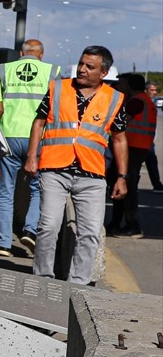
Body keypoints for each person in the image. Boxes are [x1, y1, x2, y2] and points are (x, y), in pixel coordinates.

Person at [25, 46, 128, 285]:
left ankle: (77, 285)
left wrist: (122, 176)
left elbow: (120, 138)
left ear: (103, 73)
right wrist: (32, 156)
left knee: (90, 233)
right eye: (81, 63)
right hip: (54, 168)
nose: (82, 69)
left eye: (89, 67)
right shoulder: (58, 88)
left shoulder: (115, 99)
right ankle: (42, 279)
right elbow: (39, 122)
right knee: (48, 227)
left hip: (91, 174)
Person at [0, 40, 60, 258]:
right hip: (38, 137)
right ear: (41, 55)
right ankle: (30, 230)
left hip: (9, 135)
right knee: (38, 187)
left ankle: (3, 244)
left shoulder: (3, 70)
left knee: (4, 192)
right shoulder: (52, 71)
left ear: (21, 53)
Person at [107, 73, 155, 238]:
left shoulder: (136, 101)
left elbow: (121, 123)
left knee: (126, 186)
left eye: (121, 83)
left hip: (132, 147)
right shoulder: (144, 99)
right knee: (125, 184)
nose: (119, 86)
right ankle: (118, 223)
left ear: (129, 86)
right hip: (139, 146)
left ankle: (132, 224)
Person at [145, 81, 163, 191]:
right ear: (145, 90)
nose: (154, 92)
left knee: (152, 162)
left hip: (148, 139)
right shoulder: (143, 102)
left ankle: (157, 185)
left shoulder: (151, 104)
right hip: (140, 139)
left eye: (155, 90)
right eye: (152, 90)